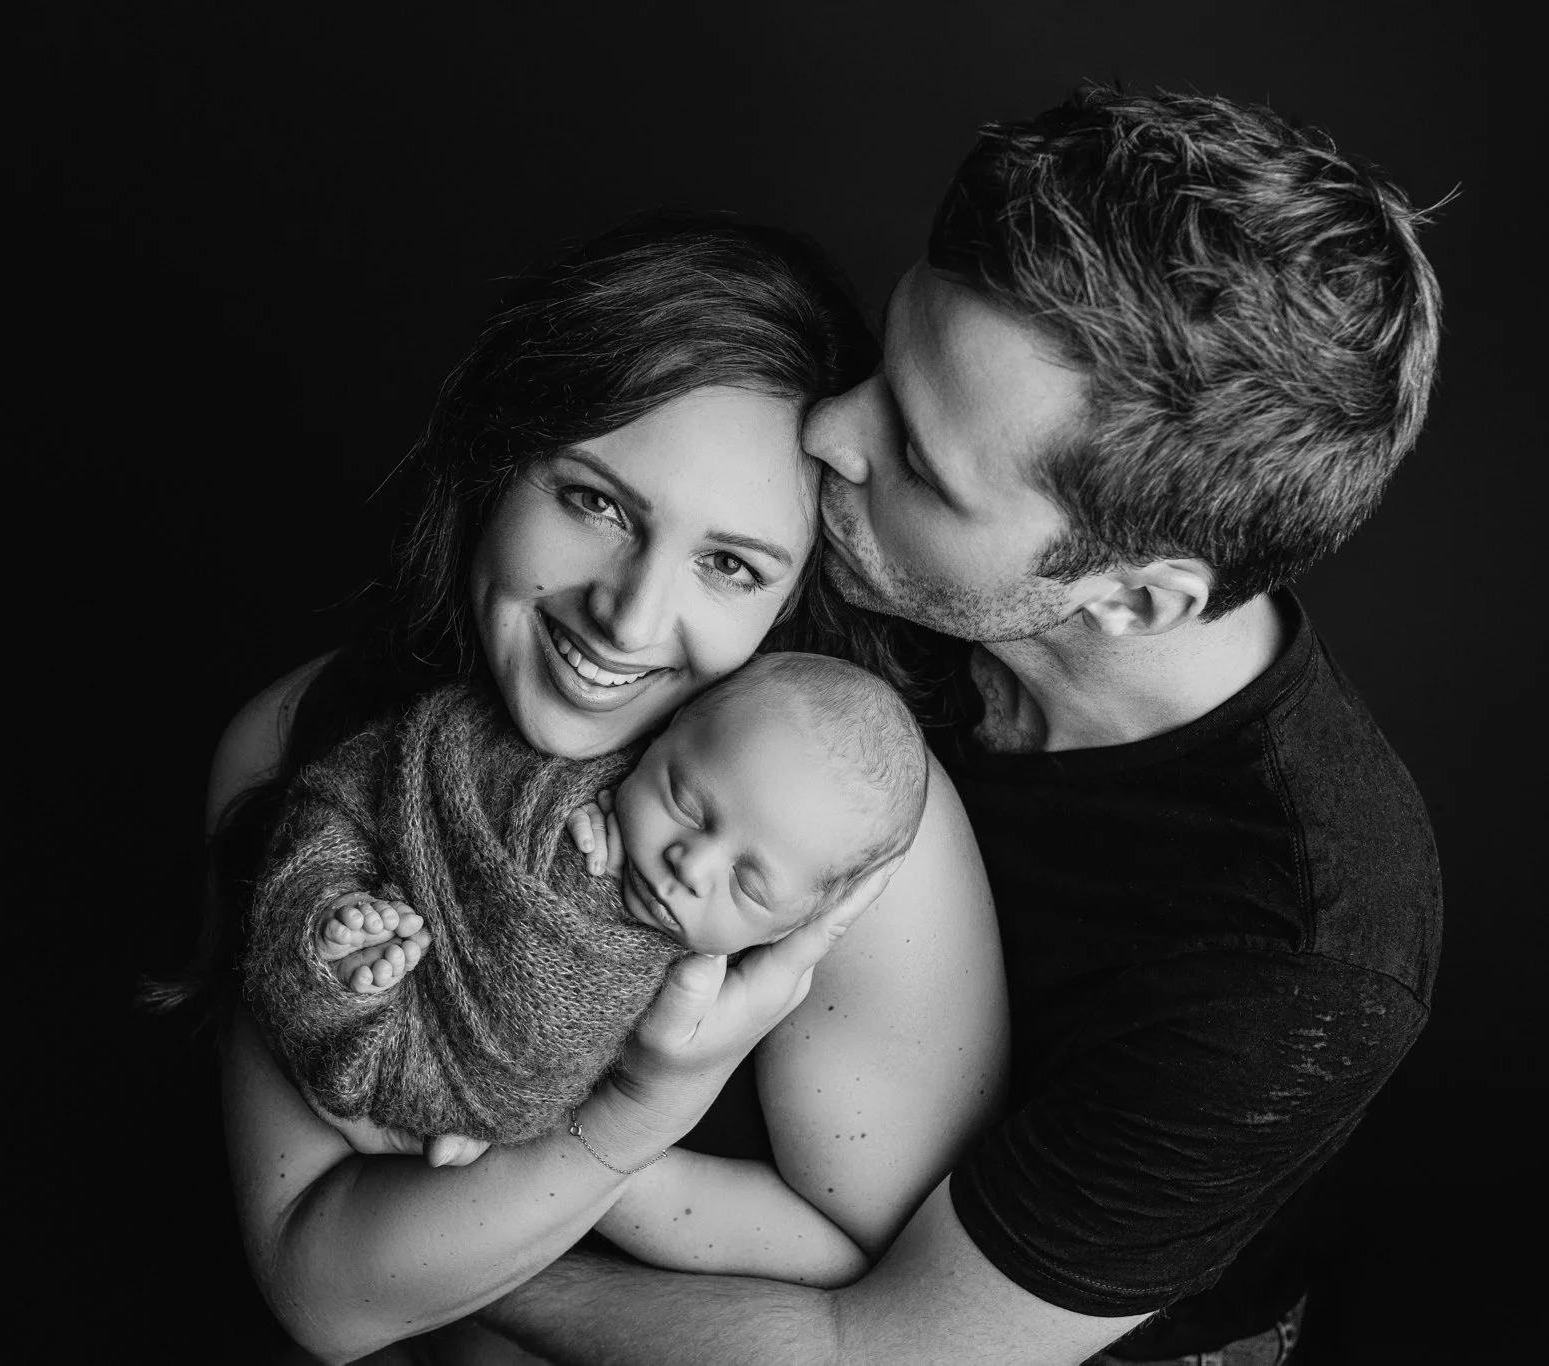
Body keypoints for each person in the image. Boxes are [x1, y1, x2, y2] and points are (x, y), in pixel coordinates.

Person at [476, 86, 1445, 1366]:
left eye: (920, 464)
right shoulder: (871, 542)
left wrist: (441, 1262)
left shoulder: (1291, 955)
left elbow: (877, 1349)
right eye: (886, 362)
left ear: (1134, 596)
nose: (830, 431)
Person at [197, 212, 1009, 1363]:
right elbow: (321, 1291)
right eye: (595, 503)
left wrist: (573, 1153)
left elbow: (884, 1305)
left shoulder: (849, 836)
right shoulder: (301, 743)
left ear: (791, 596)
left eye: (728, 564)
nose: (628, 617)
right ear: (500, 458)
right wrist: (618, 1128)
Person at [241, 653, 929, 1288]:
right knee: (332, 911)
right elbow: (440, 776)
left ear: (792, 929)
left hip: (463, 1102)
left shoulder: (735, 993)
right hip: (386, 926)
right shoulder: (575, 784)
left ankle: (358, 989)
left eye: (748, 886)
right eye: (685, 803)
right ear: (661, 736)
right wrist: (568, 807)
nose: (691, 863)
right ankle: (344, 952)